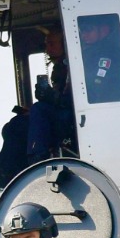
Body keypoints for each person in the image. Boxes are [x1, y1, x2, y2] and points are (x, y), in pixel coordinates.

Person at [25, 28, 75, 161]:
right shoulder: (59, 67)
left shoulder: (73, 65)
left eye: (52, 44)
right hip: (63, 114)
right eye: (46, 44)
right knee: (16, 124)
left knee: (38, 109)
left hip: (73, 118)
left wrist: (50, 97)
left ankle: (38, 159)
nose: (47, 49)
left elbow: (71, 101)